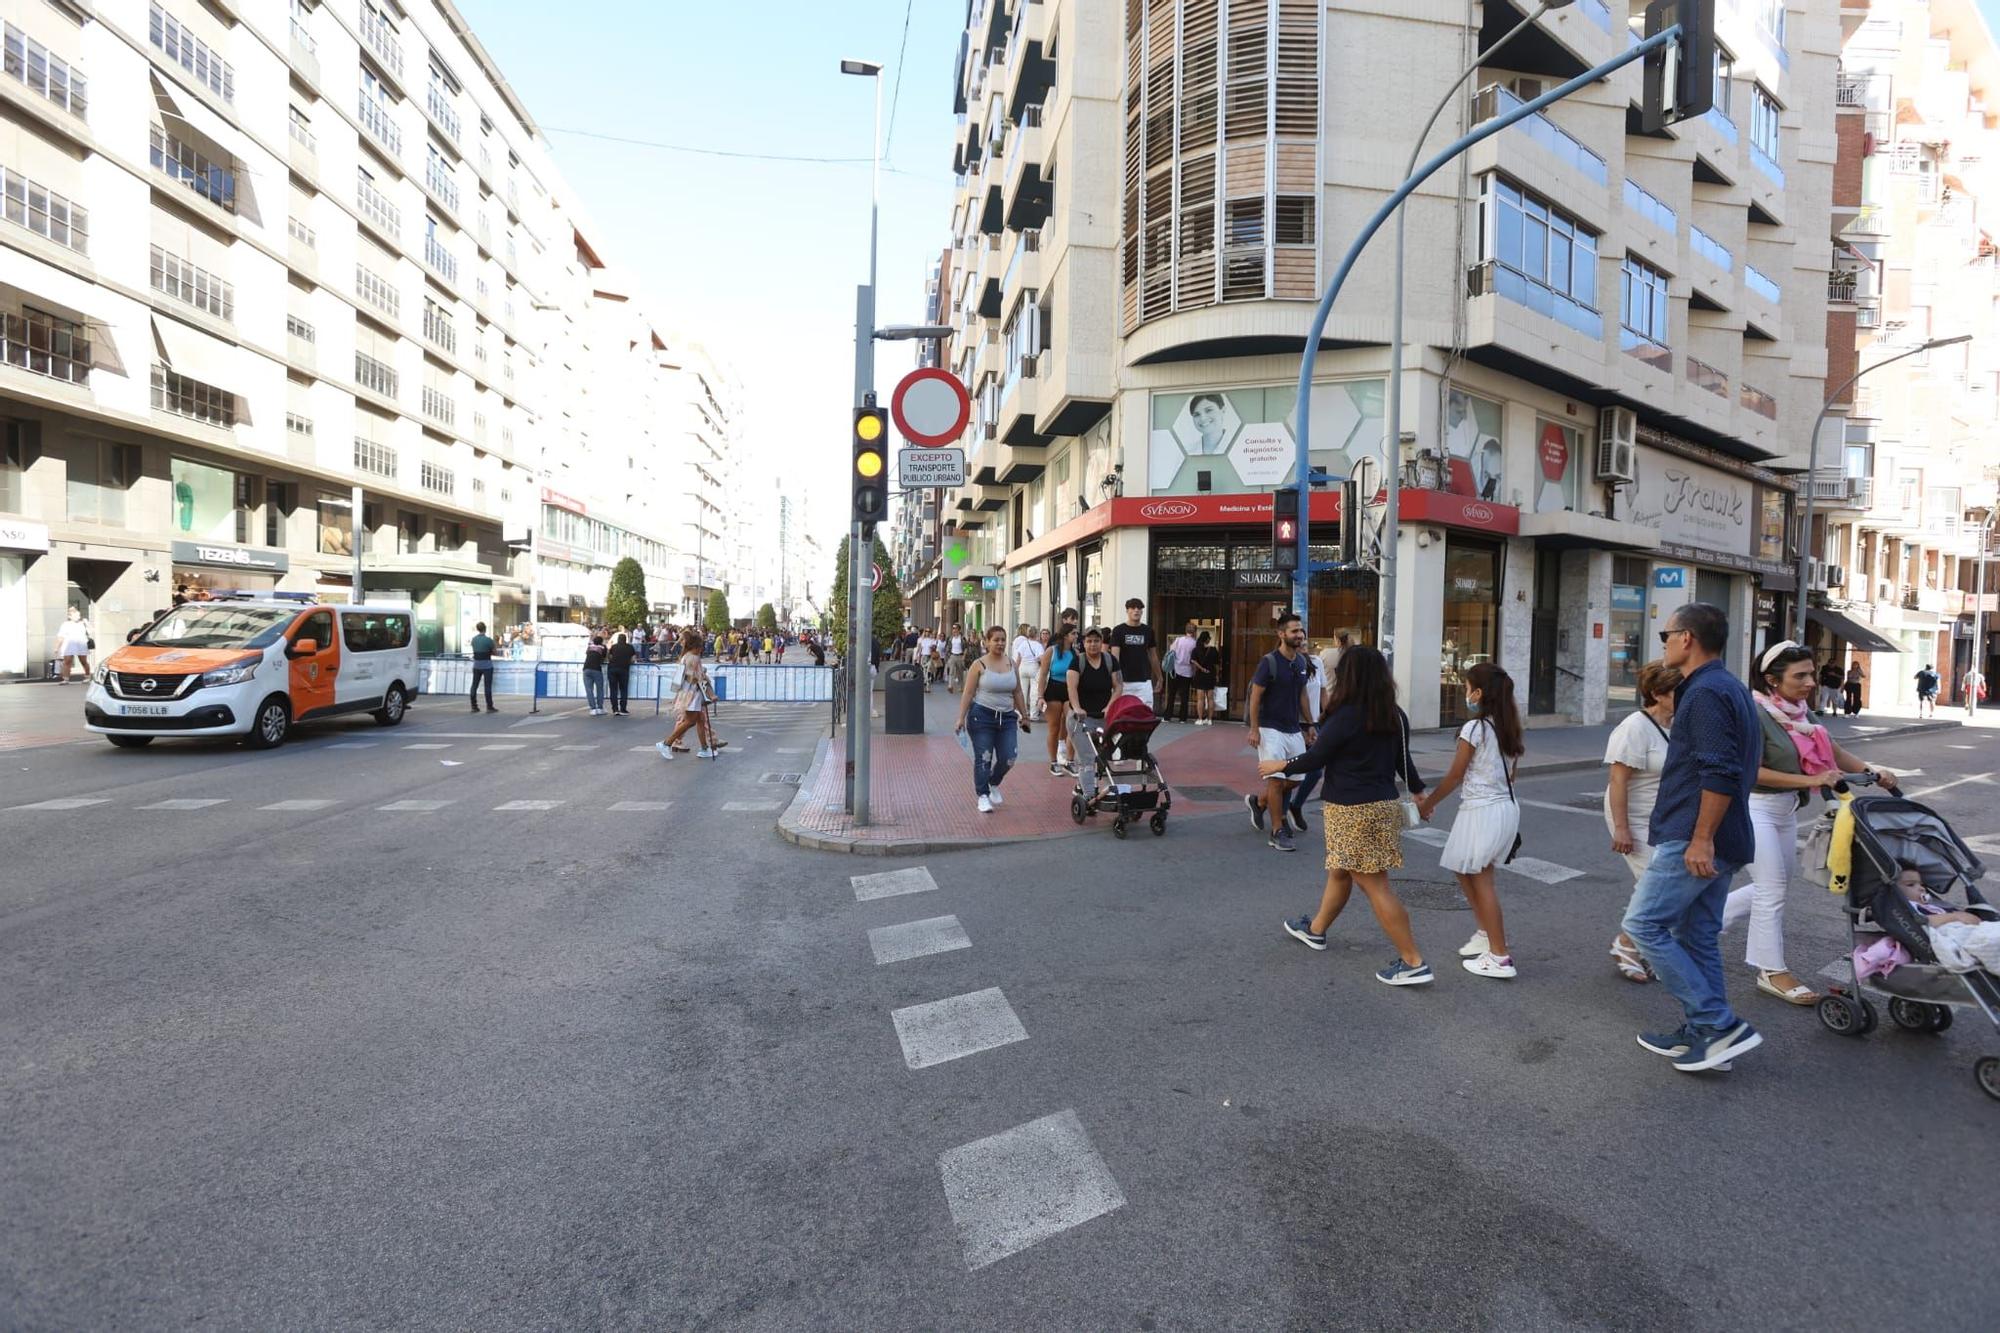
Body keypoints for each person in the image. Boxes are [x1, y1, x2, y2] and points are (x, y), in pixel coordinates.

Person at [1620, 602, 1766, 1073]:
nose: (1661, 641)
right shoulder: (1730, 687)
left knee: (1645, 926)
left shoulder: (1703, 692)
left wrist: (1701, 838)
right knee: (1698, 935)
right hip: (1724, 835)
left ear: (1687, 638)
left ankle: (1717, 1022)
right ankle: (1710, 1036)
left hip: (1695, 835)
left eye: (1666, 634)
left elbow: (1719, 771)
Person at [1728, 640, 1900, 1006]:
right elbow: (1750, 771)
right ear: (1772, 680)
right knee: (1771, 889)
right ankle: (1771, 970)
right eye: (1800, 675)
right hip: (1753, 807)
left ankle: (1698, 922)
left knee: (1773, 885)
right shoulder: (1753, 714)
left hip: (1785, 810)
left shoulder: (1801, 712)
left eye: (1812, 673)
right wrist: (1814, 780)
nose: (1810, 681)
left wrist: (1873, 771)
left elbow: (1834, 752)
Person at [1264, 645, 1433, 987]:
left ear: (1349, 675)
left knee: (1375, 885)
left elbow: (1317, 757)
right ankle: (1316, 930)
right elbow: (1404, 760)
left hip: (1351, 809)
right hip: (1382, 805)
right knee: (1340, 870)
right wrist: (1418, 791)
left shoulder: (1347, 714)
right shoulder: (1393, 714)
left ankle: (1412, 960)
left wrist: (1279, 765)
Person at [1416, 662, 1525, 979]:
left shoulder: (1475, 729)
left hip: (1482, 810)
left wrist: (1428, 804)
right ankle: (1486, 934)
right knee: (1463, 867)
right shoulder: (1508, 728)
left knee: (1481, 878)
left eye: (1466, 688)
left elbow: (1455, 775)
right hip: (1502, 807)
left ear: (1478, 693)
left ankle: (1499, 955)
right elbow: (1512, 775)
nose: (1465, 694)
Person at [1602, 661, 1682, 983]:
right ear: (1658, 694)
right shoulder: (1635, 726)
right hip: (1632, 816)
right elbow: (1617, 780)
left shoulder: (1675, 725)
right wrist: (1622, 828)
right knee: (1656, 885)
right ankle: (1628, 944)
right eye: (1680, 690)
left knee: (1661, 885)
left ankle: (1632, 943)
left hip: (1663, 817)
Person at [1242, 612, 1314, 854]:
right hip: (1269, 728)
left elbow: (1302, 695)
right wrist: (1254, 728)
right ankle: (1277, 831)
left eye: (1300, 630)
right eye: (1294, 631)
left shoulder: (1302, 663)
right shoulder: (1269, 662)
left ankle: (1259, 802)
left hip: (1293, 728)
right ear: (1281, 634)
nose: (1299, 635)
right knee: (1276, 779)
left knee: (1295, 779)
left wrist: (1310, 724)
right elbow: (1255, 696)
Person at [956, 625, 1029, 814]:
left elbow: (1018, 691)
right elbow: (968, 692)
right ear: (987, 642)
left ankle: (993, 782)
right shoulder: (979, 664)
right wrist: (960, 718)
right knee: (984, 757)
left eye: (1003, 639)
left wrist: (1025, 715)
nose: (1000, 643)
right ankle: (983, 796)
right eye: (996, 640)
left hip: (1007, 718)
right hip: (982, 717)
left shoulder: (1012, 664)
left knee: (1009, 757)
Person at [1065, 627, 1124, 803]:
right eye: (1089, 641)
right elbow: (1071, 688)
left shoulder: (1109, 660)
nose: (1093, 644)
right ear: (1084, 643)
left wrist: (1110, 706)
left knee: (1104, 757)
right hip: (1081, 718)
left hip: (1103, 717)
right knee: (1087, 759)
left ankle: (1090, 787)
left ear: (1101, 643)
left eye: (1096, 641)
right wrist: (1077, 708)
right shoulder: (1077, 662)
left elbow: (1118, 686)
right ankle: (1089, 797)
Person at [1282, 640, 1331, 835]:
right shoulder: (1287, 664)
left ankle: (1296, 804)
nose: (1303, 645)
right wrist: (1300, 729)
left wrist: (1328, 718)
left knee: (1316, 771)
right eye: (1299, 643)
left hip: (1314, 724)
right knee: (1290, 771)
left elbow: (1323, 692)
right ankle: (1282, 815)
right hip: (1292, 725)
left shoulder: (1316, 662)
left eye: (1304, 642)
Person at [657, 629, 718, 759]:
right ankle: (666, 743)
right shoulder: (694, 658)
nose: (702, 648)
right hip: (692, 694)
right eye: (701, 646)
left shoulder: (686, 656)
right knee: (690, 721)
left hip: (688, 693)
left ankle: (704, 748)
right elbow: (697, 678)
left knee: (699, 720)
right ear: (696, 646)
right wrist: (710, 692)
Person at [1106, 598, 1161, 711]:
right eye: (1133, 608)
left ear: (1142, 611)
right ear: (1127, 610)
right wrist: (1115, 680)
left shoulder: (1148, 630)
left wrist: (1159, 676)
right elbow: (1115, 657)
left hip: (1144, 681)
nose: (1136, 610)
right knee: (1121, 714)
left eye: (1139, 608)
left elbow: (1153, 656)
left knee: (1145, 714)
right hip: (1123, 682)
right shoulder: (1118, 630)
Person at [1038, 626, 1078, 774]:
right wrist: (1040, 696)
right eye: (1073, 633)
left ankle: (1070, 760)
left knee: (1072, 727)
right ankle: (1053, 762)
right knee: (1054, 728)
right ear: (1065, 636)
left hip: (1070, 690)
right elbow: (1042, 674)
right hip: (1053, 689)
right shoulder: (1052, 651)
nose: (1076, 636)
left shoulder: (1076, 653)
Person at [1010, 623, 1044, 722]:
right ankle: (1034, 715)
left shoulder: (1023, 644)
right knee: (1034, 692)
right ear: (1036, 634)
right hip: (1033, 667)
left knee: (1022, 691)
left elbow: (1019, 657)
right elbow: (1041, 658)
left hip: (1022, 667)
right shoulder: (1038, 645)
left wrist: (1015, 668)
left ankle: (1022, 713)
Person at [1165, 621, 1198, 722]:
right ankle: (1182, 718)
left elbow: (1171, 650)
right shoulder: (1195, 643)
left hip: (1176, 669)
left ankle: (1167, 716)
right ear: (1195, 632)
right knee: (1184, 696)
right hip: (1187, 671)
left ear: (1186, 630)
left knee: (1172, 694)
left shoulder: (1178, 640)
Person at [52, 606, 91, 685]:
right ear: (70, 616)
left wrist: (87, 623)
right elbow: (61, 637)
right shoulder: (65, 624)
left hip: (81, 644)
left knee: (83, 661)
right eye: (76, 615)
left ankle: (87, 676)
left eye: (79, 615)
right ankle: (66, 679)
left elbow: (91, 631)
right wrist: (57, 647)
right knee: (67, 661)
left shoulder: (83, 623)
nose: (78, 617)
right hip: (69, 645)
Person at [1191, 630, 1220, 725]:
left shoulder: (1196, 650)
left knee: (1200, 699)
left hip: (1200, 675)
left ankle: (1200, 719)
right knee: (1210, 699)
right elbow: (1217, 665)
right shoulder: (1213, 650)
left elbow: (1193, 661)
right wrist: (1216, 675)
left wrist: (1201, 669)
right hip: (1210, 675)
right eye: (1209, 638)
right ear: (1207, 639)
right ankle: (1210, 719)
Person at [468, 620, 497, 712]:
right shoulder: (489, 640)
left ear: (477, 629)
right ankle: (489, 706)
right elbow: (494, 652)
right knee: (487, 686)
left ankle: (474, 706)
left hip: (476, 665)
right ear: (485, 629)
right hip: (487, 665)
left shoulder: (474, 640)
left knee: (474, 685)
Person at [606, 632, 636, 715]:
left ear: (618, 639)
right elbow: (633, 659)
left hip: (612, 669)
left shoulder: (614, 647)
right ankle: (623, 709)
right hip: (624, 669)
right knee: (623, 689)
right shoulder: (630, 647)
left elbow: (609, 656)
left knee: (613, 689)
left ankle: (615, 709)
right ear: (625, 639)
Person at [582, 634, 608, 715]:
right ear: (601, 642)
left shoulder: (589, 646)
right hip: (596, 669)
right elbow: (604, 657)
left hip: (586, 669)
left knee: (589, 690)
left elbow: (587, 653)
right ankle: (600, 708)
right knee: (600, 689)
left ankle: (593, 709)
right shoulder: (603, 647)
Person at [945, 624, 968, 693]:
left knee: (960, 673)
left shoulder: (962, 638)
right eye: (953, 628)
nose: (954, 630)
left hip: (960, 656)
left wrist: (964, 656)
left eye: (955, 628)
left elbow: (966, 648)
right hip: (952, 656)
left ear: (959, 629)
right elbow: (948, 647)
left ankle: (961, 687)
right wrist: (948, 657)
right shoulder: (950, 638)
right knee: (951, 671)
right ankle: (950, 686)